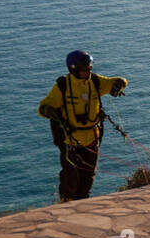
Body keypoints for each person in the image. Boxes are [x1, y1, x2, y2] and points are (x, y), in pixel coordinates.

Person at [38, 50, 128, 202]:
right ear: (73, 69)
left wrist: (119, 85)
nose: (88, 71)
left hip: (92, 139)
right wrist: (49, 111)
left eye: (90, 68)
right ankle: (66, 205)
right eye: (85, 69)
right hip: (70, 142)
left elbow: (120, 80)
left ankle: (82, 206)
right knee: (70, 177)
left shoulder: (96, 82)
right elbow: (43, 107)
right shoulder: (63, 86)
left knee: (88, 178)